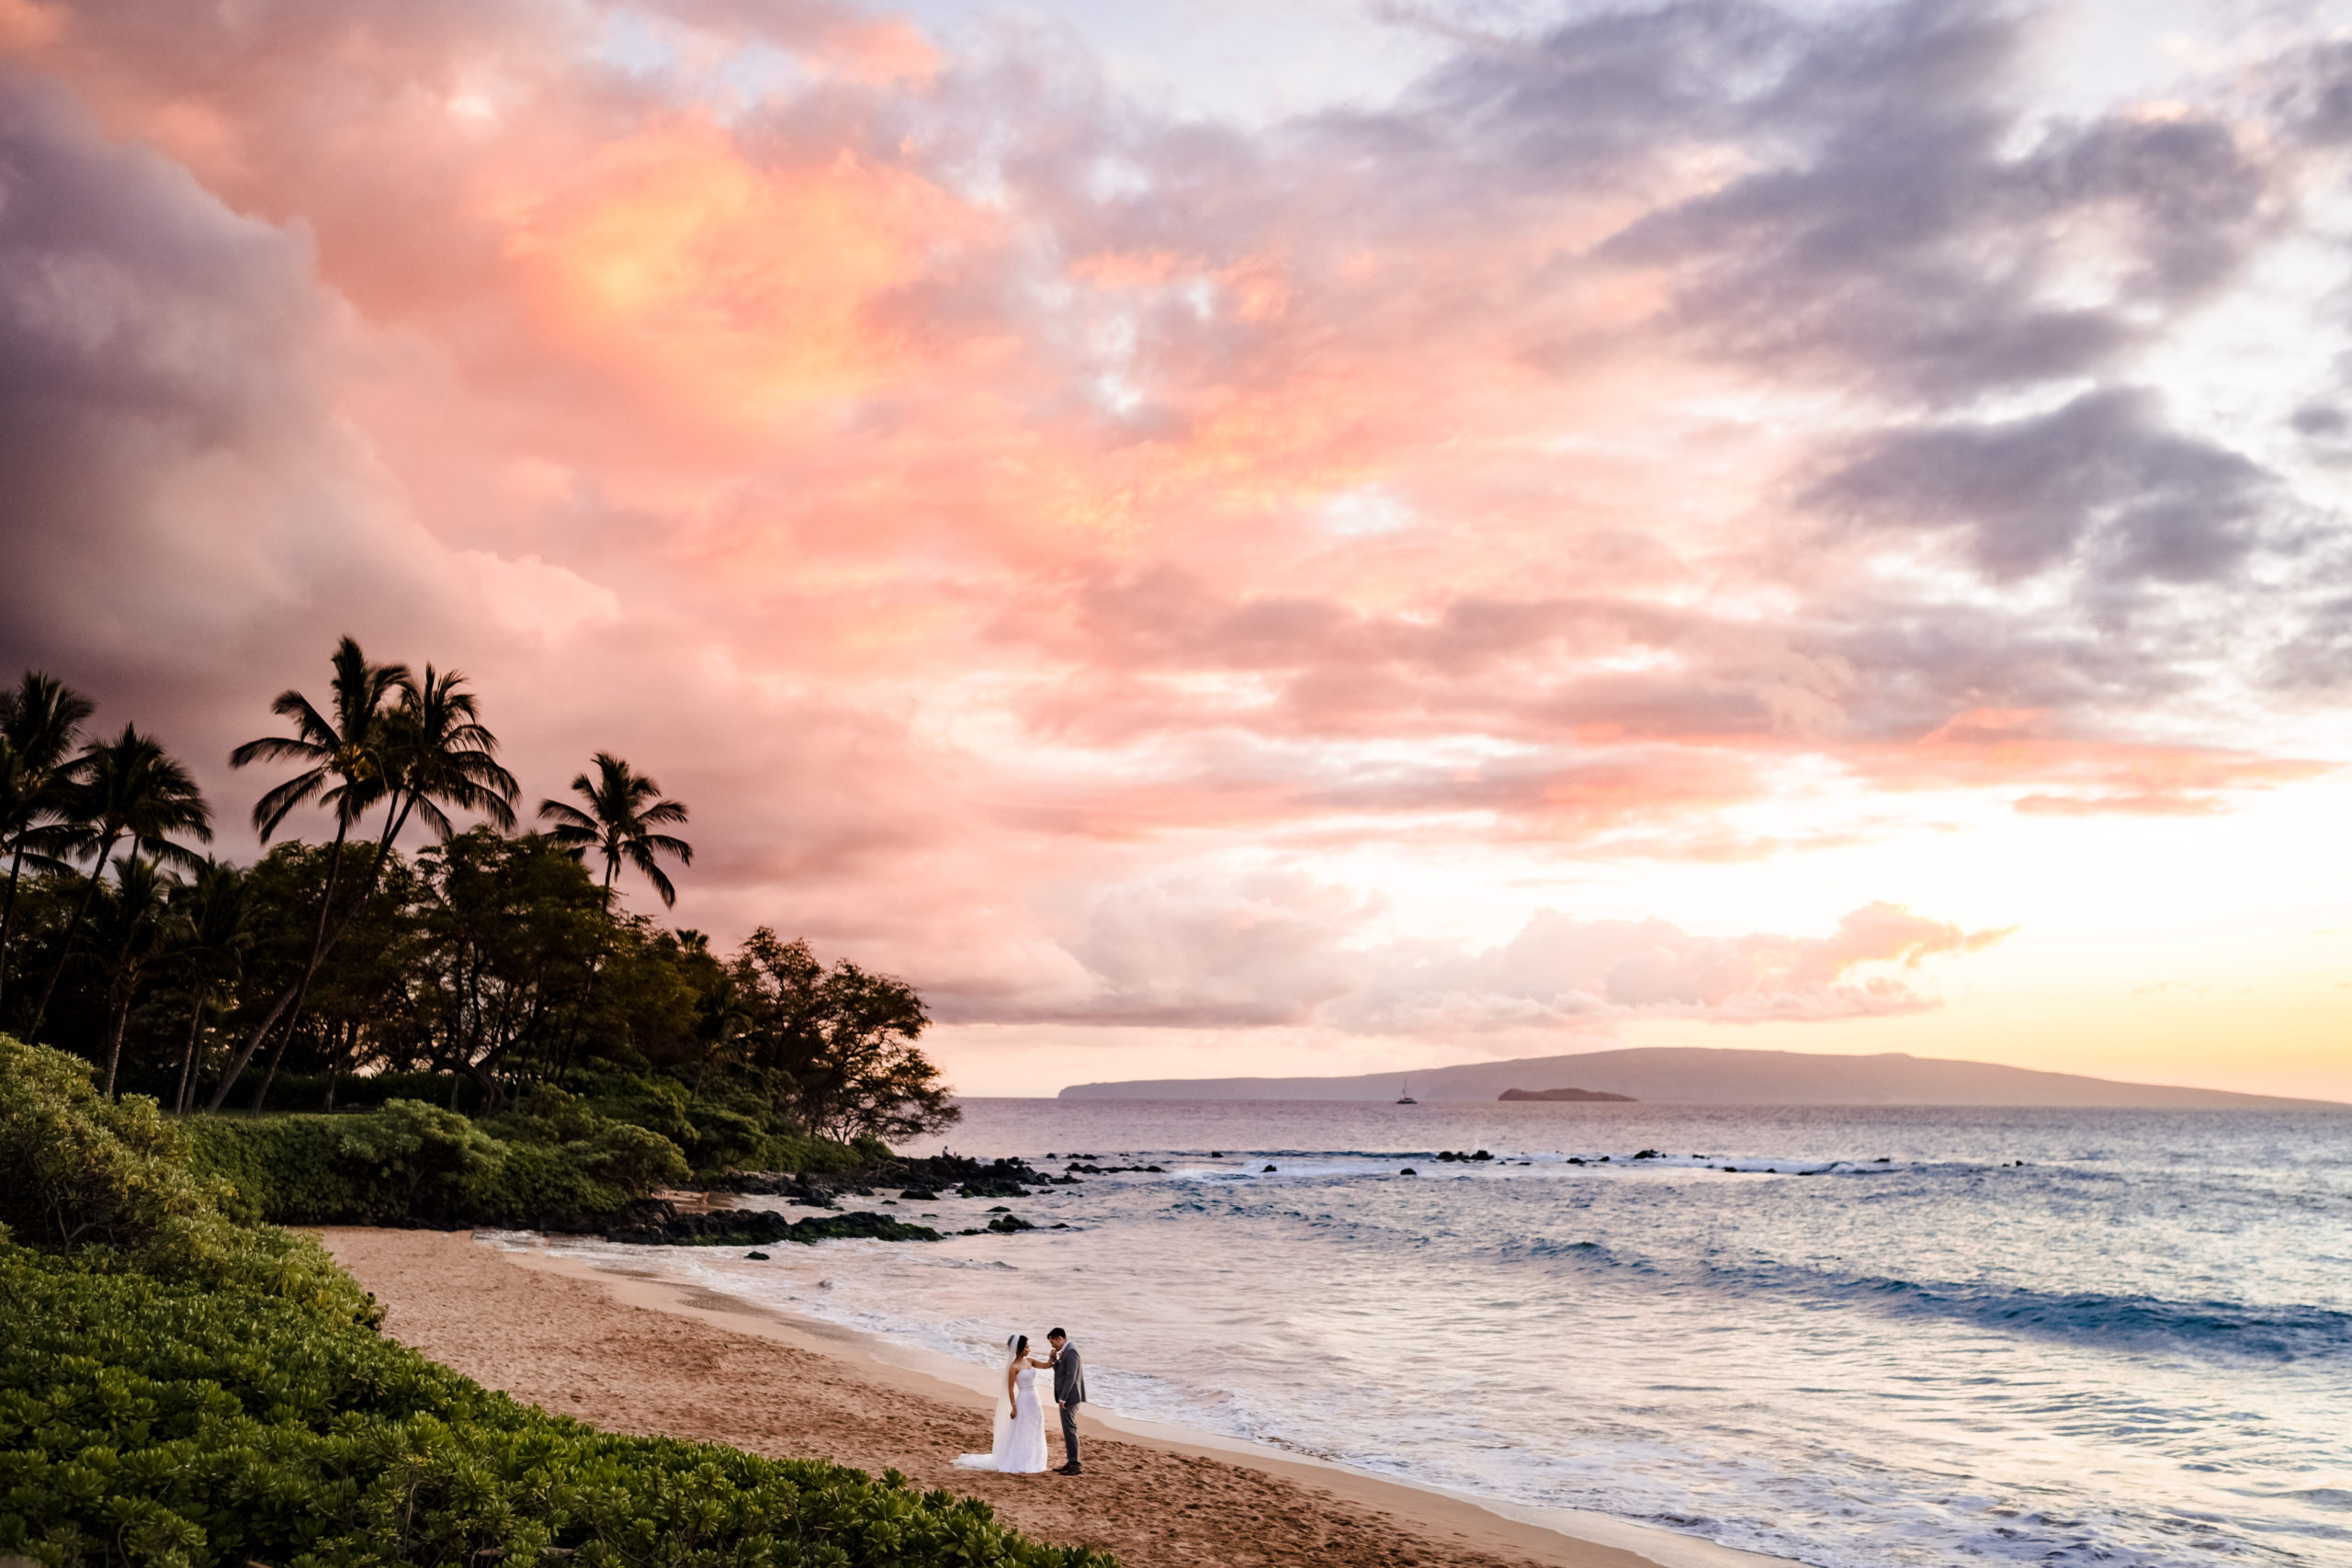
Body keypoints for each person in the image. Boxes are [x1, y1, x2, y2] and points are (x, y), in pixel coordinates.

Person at [953, 1334, 1053, 1473]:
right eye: (1026, 1347)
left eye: (1028, 1347)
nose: (1028, 1349)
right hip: (1023, 1399)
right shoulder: (1014, 1367)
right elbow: (1010, 1388)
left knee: (1035, 1428)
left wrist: (1051, 1358)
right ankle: (1021, 1460)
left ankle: (1035, 1459)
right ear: (1019, 1348)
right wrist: (1014, 1406)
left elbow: (1047, 1365)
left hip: (1035, 1399)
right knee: (1023, 1430)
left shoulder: (1030, 1361)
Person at [1047, 1327, 1085, 1474]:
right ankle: (1071, 1461)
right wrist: (1054, 1361)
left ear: (1059, 1338)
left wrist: (1063, 1397)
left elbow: (1071, 1377)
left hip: (1070, 1397)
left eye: (1052, 1342)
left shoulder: (1071, 1351)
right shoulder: (1065, 1351)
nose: (1052, 1345)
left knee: (1070, 1429)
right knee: (1067, 1429)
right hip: (1066, 1397)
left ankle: (1075, 1464)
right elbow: (1061, 1372)